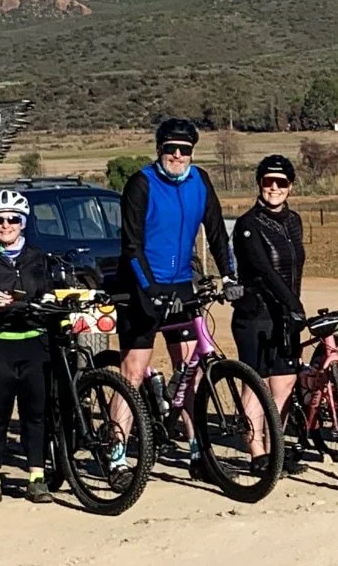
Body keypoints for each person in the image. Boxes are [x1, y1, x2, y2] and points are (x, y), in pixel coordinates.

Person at [118, 118, 241, 476]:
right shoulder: (142, 183)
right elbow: (131, 245)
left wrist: (229, 274)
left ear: (191, 153)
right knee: (133, 372)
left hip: (181, 285)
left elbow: (217, 231)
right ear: (159, 150)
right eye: (170, 148)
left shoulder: (199, 181)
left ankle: (196, 453)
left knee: (190, 372)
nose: (177, 155)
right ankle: (116, 455)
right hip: (141, 287)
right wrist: (151, 291)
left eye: (184, 150)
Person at [0, 190, 56, 506]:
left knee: (35, 415)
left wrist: (47, 301)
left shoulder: (38, 257)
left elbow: (48, 292)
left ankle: (36, 478)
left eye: (13, 219)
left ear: (23, 223)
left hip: (33, 343)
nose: (6, 225)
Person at [230, 155, 307, 474]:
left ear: (290, 186)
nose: (274, 188)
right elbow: (263, 270)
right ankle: (256, 451)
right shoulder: (248, 224)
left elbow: (295, 267)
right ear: (259, 183)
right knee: (256, 383)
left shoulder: (294, 221)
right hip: (256, 314)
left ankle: (277, 446)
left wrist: (292, 307)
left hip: (286, 316)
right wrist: (293, 303)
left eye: (281, 182)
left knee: (285, 382)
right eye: (268, 181)